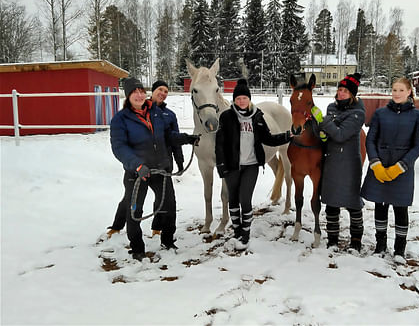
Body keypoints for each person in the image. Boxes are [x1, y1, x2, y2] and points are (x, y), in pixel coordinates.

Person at [109, 77, 199, 260]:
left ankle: (167, 240)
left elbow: (168, 136)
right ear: (128, 96)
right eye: (135, 92)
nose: (139, 95)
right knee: (135, 210)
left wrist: (187, 138)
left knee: (169, 206)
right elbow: (119, 148)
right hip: (137, 173)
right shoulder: (120, 119)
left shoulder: (155, 113)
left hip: (160, 169)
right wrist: (137, 165)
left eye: (141, 91)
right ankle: (137, 248)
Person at [215, 79, 292, 250]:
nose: (241, 101)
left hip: (251, 165)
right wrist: (221, 166)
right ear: (234, 100)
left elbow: (268, 138)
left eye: (244, 98)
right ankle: (236, 230)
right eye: (238, 98)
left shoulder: (257, 117)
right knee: (233, 199)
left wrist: (287, 135)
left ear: (249, 99)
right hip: (233, 165)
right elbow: (219, 144)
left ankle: (245, 234)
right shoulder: (226, 117)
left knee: (245, 199)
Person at [360, 77, 419, 259]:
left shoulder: (418, 116)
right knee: (380, 206)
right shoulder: (380, 114)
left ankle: (399, 249)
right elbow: (371, 139)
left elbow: (418, 145)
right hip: (380, 165)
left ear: (409, 92)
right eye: (394, 90)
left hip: (402, 169)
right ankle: (380, 245)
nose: (396, 93)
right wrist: (375, 163)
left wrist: (401, 166)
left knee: (400, 208)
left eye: (400, 90)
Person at [310, 73, 365, 252]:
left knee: (353, 204)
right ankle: (332, 239)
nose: (341, 93)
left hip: (349, 164)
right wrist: (322, 133)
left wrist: (324, 122)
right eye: (340, 90)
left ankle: (356, 241)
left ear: (352, 94)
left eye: (345, 91)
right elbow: (329, 134)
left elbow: (341, 135)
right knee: (331, 203)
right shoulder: (331, 108)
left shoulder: (358, 113)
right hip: (332, 162)